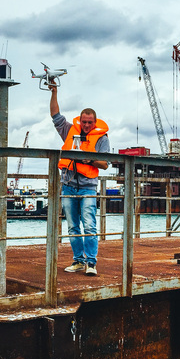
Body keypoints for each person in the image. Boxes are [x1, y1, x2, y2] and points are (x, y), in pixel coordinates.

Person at [50, 83, 110, 276]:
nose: (86, 125)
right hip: (68, 185)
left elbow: (105, 163)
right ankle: (78, 260)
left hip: (88, 187)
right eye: (84, 122)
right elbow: (55, 116)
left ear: (95, 122)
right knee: (73, 226)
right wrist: (54, 92)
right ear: (80, 120)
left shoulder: (102, 138)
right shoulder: (69, 130)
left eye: (89, 122)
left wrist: (90, 159)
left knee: (90, 225)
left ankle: (91, 263)